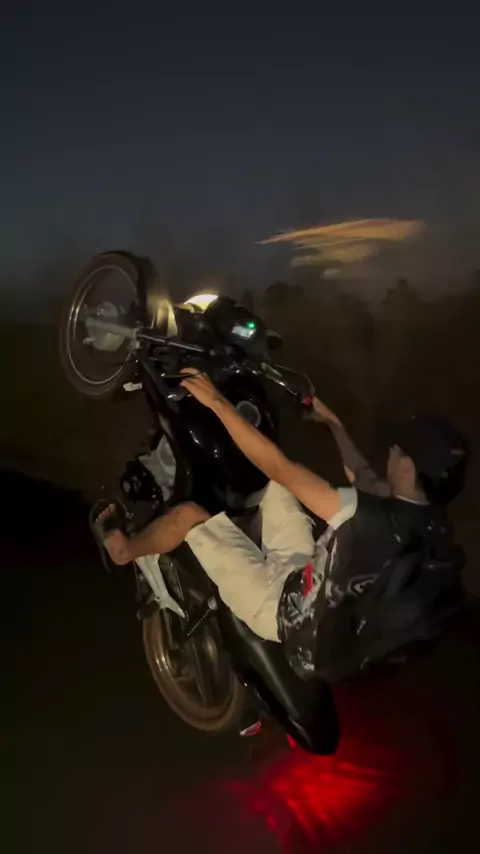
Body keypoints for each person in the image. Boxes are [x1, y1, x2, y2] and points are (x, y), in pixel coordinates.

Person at [95, 370, 466, 675]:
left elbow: (279, 466)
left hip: (281, 611)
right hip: (309, 577)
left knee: (189, 514)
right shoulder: (425, 517)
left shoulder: (367, 518)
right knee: (269, 483)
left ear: (408, 467)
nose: (390, 452)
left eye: (398, 450)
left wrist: (217, 402)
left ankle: (125, 550)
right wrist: (333, 424)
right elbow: (365, 478)